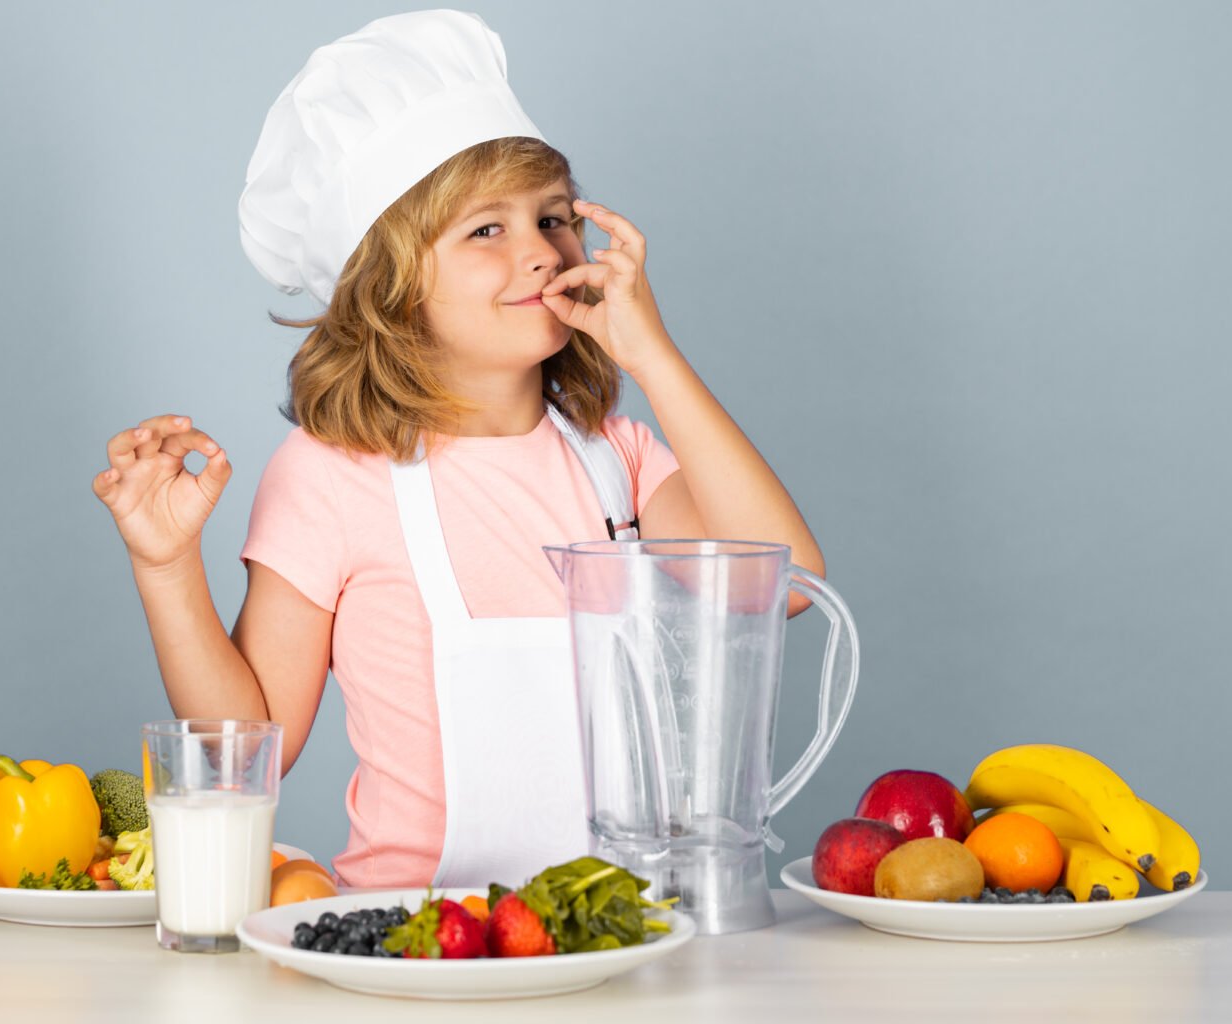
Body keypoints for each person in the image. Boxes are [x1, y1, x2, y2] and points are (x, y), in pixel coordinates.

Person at [91, 10, 823, 888]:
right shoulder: (330, 478)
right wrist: (167, 568)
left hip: (620, 936)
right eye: (487, 231)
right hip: (414, 939)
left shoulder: (617, 460)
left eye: (554, 218)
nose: (542, 253)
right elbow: (253, 745)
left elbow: (785, 589)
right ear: (392, 286)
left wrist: (654, 357)